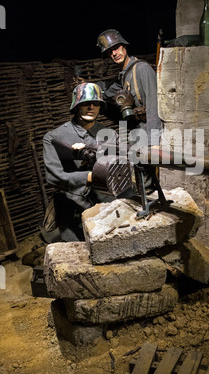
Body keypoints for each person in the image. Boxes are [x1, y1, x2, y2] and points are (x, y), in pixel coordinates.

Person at [42, 82, 116, 242]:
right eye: (85, 103)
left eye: (96, 103)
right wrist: (90, 177)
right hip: (72, 206)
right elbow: (54, 177)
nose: (91, 107)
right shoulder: (54, 137)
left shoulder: (109, 134)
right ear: (76, 106)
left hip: (105, 203)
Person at [96, 29, 162, 147]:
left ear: (124, 45)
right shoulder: (123, 75)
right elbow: (107, 91)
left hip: (150, 135)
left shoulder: (142, 69)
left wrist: (154, 143)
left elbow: (153, 106)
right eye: (110, 52)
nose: (114, 53)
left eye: (116, 48)